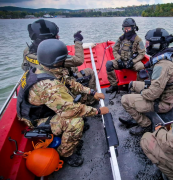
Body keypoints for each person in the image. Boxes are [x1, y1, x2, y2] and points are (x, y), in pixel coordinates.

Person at [17, 39, 109, 167]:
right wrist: (98, 111)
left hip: (44, 108)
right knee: (75, 121)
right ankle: (66, 153)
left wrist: (92, 92)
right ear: (57, 62)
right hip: (38, 118)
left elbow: (69, 81)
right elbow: (70, 111)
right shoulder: (48, 86)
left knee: (75, 104)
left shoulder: (44, 68)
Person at [120, 28, 173, 136]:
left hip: (162, 103)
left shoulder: (162, 65)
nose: (146, 46)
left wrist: (142, 92)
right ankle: (137, 115)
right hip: (164, 95)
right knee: (132, 84)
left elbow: (152, 94)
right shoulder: (172, 56)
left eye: (148, 43)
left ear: (156, 45)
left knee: (125, 100)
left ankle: (145, 124)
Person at [22, 19, 97, 105]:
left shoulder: (27, 52)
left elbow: (24, 67)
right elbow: (78, 60)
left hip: (40, 82)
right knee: (89, 71)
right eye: (56, 35)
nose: (58, 37)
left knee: (73, 69)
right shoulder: (52, 55)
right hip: (58, 83)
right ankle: (91, 101)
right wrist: (77, 41)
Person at [105, 18, 146, 93]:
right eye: (125, 28)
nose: (126, 30)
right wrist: (118, 59)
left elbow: (142, 53)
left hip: (132, 62)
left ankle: (137, 87)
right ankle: (114, 86)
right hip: (121, 61)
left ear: (133, 28)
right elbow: (115, 50)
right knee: (109, 64)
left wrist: (133, 61)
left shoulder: (138, 40)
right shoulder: (121, 38)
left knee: (141, 67)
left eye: (128, 28)